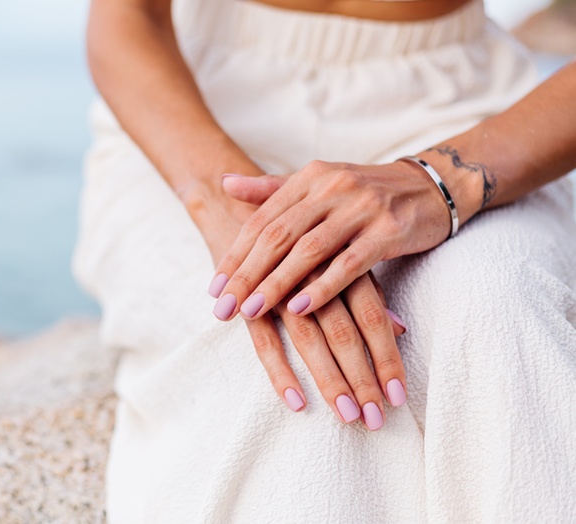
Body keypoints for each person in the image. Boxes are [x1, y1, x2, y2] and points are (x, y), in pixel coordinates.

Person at [73, 0, 576, 520]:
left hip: (461, 118)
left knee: (495, 310)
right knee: (302, 384)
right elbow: (127, 14)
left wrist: (446, 179)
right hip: (191, 121)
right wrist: (230, 206)